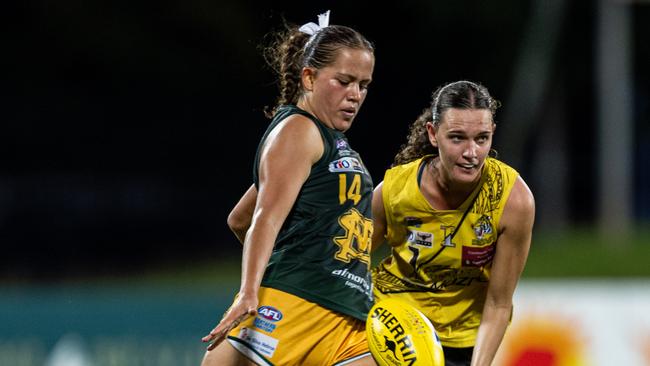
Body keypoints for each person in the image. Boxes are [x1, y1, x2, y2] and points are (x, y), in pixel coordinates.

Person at [201, 10, 378, 366]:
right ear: (309, 77)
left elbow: (240, 217)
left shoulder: (327, 139)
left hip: (345, 315)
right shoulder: (298, 130)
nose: (355, 94)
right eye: (344, 81)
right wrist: (250, 290)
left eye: (363, 84)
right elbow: (263, 217)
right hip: (291, 308)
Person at [370, 80, 535, 366]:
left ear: (492, 134)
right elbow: (349, 264)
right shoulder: (393, 191)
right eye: (457, 138)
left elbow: (498, 304)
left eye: (482, 138)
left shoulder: (513, 200)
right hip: (392, 326)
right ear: (433, 134)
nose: (471, 153)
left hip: (463, 341)